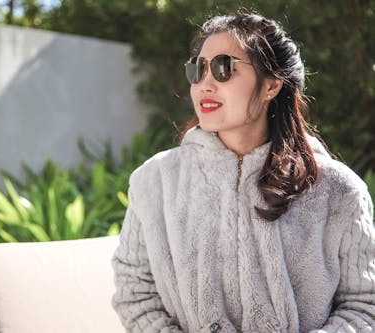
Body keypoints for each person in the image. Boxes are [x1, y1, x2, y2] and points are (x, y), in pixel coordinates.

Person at [111, 12, 375, 333]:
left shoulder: (339, 190)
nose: (204, 84)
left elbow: (364, 304)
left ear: (272, 85)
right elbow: (134, 292)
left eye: (224, 68)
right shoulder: (154, 182)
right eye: (198, 69)